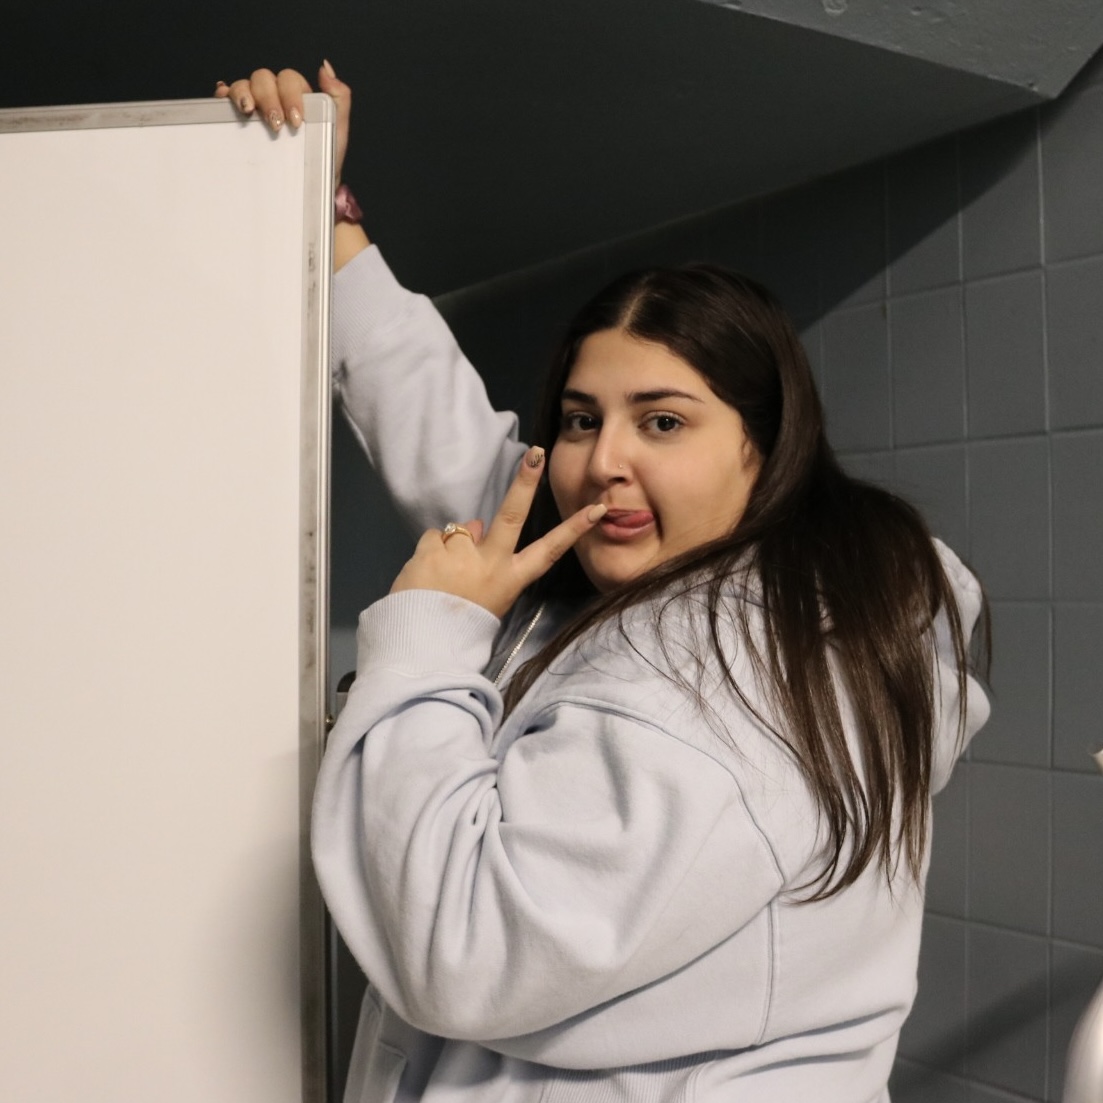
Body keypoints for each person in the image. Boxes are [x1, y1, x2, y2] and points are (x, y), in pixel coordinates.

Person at [221, 66, 990, 1103]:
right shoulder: (712, 572)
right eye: (582, 417)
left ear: (763, 450)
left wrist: (428, 637)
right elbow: (455, 442)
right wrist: (327, 213)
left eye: (662, 421)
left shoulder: (724, 681)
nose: (601, 461)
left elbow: (465, 944)